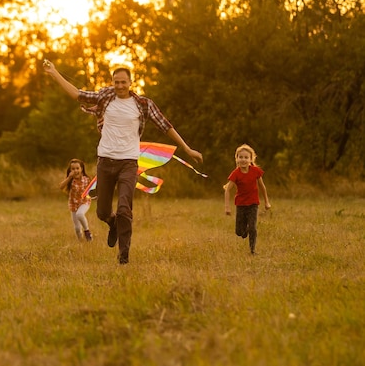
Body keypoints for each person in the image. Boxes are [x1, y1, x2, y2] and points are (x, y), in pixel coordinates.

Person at [43, 59, 203, 264]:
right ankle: (113, 224)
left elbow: (165, 126)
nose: (119, 86)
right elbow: (76, 94)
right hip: (105, 162)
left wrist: (187, 148)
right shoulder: (105, 97)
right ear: (112, 82)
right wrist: (54, 72)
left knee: (125, 208)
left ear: (130, 82)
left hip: (128, 162)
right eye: (116, 82)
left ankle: (123, 254)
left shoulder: (143, 104)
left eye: (123, 82)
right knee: (102, 212)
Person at [224, 144, 271, 255]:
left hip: (253, 204)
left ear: (251, 159)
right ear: (237, 159)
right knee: (239, 232)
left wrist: (267, 202)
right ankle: (245, 231)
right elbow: (227, 190)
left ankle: (252, 250)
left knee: (253, 228)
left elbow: (262, 187)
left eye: (246, 157)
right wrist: (227, 207)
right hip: (240, 205)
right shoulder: (235, 174)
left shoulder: (255, 171)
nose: (243, 160)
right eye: (241, 157)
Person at [59, 158, 93, 241]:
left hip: (84, 202)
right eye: (73, 169)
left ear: (81, 169)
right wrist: (69, 178)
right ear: (70, 170)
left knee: (80, 214)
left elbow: (93, 189)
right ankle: (81, 242)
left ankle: (87, 232)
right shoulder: (70, 180)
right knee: (77, 228)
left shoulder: (86, 179)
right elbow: (61, 187)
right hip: (73, 204)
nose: (75, 171)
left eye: (77, 168)